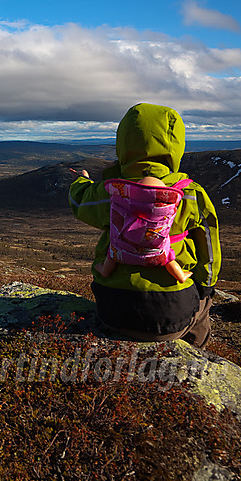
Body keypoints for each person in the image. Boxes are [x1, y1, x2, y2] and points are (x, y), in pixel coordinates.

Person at [69, 103, 220, 347]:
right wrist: (205, 286)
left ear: (124, 142)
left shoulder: (111, 191)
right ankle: (196, 354)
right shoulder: (192, 194)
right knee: (203, 309)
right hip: (172, 308)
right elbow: (209, 249)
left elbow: (79, 201)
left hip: (113, 307)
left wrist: (81, 180)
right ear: (176, 145)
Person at [96, 175, 192, 284]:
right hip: (155, 253)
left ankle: (105, 270)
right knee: (169, 258)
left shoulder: (123, 201)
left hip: (122, 248)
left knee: (112, 253)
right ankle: (181, 276)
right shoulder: (168, 205)